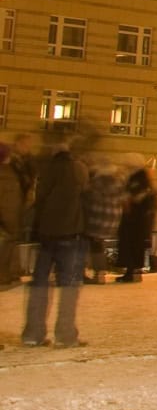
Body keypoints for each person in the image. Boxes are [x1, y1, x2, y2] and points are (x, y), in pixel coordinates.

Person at [21, 135, 89, 348]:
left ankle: (33, 333)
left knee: (39, 284)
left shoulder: (45, 169)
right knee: (69, 286)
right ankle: (66, 334)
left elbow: (37, 199)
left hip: (45, 233)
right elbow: (85, 190)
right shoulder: (77, 168)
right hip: (69, 233)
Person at [117, 169, 157, 283]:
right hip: (140, 223)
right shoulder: (146, 187)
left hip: (133, 222)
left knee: (131, 245)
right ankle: (133, 271)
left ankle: (131, 272)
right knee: (136, 246)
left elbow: (133, 200)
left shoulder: (136, 185)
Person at [85, 168, 121, 284]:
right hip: (107, 223)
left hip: (94, 221)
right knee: (98, 245)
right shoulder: (115, 188)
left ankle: (95, 273)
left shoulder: (95, 188)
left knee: (91, 246)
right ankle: (100, 273)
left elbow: (89, 203)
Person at [0, 141, 23, 289]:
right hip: (5, 224)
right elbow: (8, 205)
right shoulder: (7, 176)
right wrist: (13, 228)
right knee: (6, 244)